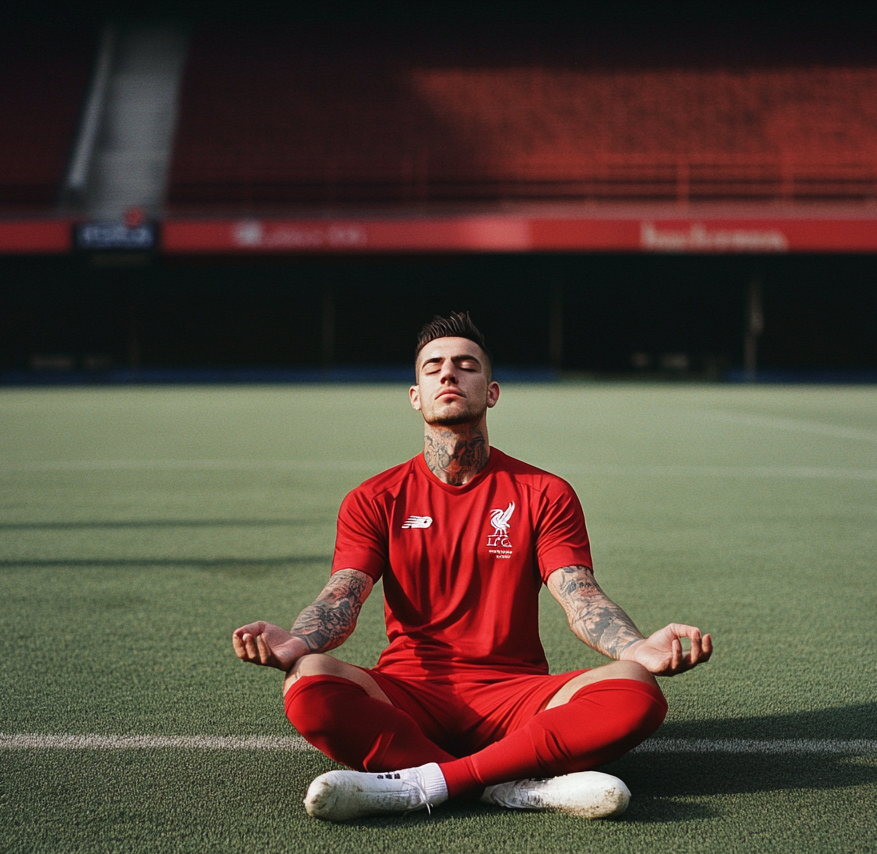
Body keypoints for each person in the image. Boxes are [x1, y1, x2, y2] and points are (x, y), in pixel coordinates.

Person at [233, 312, 712, 821]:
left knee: (636, 690)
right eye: (433, 366)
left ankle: (426, 783)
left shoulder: (544, 493)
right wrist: (301, 642)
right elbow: (342, 596)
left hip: (516, 695)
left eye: (466, 366)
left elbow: (580, 596)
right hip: (410, 693)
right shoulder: (374, 498)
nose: (448, 375)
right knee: (307, 683)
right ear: (415, 394)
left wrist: (636, 647)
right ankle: (513, 786)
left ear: (492, 391)